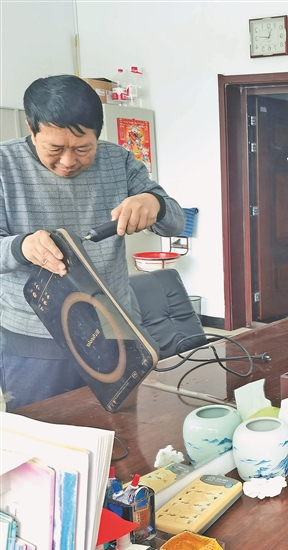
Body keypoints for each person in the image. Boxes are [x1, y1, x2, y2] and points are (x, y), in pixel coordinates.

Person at [0, 75, 185, 410]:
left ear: (98, 134)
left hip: (113, 331)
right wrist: (22, 247)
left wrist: (153, 204)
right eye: (54, 149)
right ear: (31, 128)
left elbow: (175, 220)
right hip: (36, 341)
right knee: (43, 432)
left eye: (82, 148)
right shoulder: (4, 165)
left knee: (124, 430)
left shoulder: (118, 160)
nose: (68, 161)